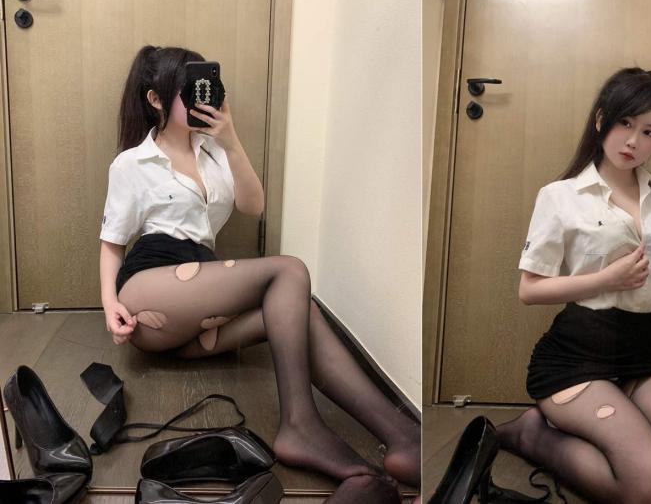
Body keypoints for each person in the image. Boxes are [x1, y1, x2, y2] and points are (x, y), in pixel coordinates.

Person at [98, 46, 417, 498]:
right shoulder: (132, 163)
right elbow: (112, 244)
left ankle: (402, 436)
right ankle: (300, 425)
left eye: (202, 86)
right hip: (150, 291)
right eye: (186, 90)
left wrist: (229, 138)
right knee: (289, 271)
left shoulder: (213, 152)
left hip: (197, 317)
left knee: (298, 309)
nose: (198, 97)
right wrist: (109, 304)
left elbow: (254, 205)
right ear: (155, 99)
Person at [494, 68, 651, 503]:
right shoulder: (560, 196)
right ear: (602, 120)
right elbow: (529, 290)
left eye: (648, 132)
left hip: (645, 354)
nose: (633, 141)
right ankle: (532, 435)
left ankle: (628, 414)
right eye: (625, 123)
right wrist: (605, 280)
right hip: (576, 357)